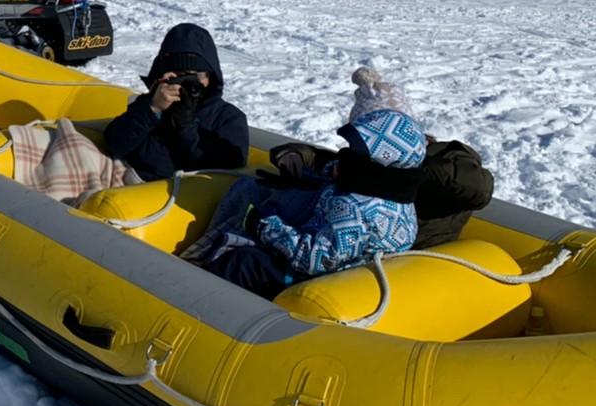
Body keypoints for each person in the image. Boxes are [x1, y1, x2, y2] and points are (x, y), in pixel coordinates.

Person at [184, 67, 429, 299]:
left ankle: (188, 299)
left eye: (357, 151)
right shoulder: (394, 193)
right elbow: (338, 176)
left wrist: (264, 226)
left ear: (377, 160)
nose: (348, 154)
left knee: (244, 264)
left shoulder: (358, 210)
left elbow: (315, 259)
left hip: (311, 277)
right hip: (336, 263)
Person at [262, 68, 494, 249]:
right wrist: (292, 154)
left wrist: (404, 166)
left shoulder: (448, 156)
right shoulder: (364, 162)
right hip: (364, 245)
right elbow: (325, 159)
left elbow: (480, 190)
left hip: (414, 255)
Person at [102, 22, 249, 179]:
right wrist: (152, 109)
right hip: (131, 182)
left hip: (181, 195)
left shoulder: (227, 117)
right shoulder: (152, 104)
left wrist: (186, 127)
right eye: (180, 76)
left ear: (211, 76)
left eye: (196, 76)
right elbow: (115, 144)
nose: (189, 84)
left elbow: (227, 172)